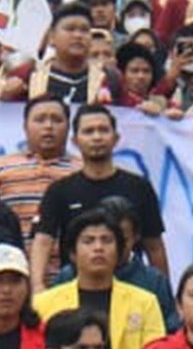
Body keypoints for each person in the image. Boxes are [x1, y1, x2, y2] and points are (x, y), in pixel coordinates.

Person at [31, 104, 167, 288]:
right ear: (75, 141)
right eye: (88, 131)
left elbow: (154, 246)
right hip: (75, 287)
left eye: (103, 130)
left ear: (116, 138)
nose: (96, 137)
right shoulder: (59, 191)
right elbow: (42, 242)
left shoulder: (139, 187)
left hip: (132, 287)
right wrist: (37, 286)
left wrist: (164, 290)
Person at [33, 209, 164, 349]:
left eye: (107, 240)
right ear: (73, 253)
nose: (98, 248)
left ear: (119, 251)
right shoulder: (44, 303)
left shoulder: (145, 302)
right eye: (88, 241)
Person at [0, 97, 78, 286]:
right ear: (25, 126)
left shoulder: (82, 172)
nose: (48, 126)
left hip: (71, 279)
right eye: (40, 119)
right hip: (11, 279)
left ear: (68, 128)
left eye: (56, 120)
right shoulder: (4, 168)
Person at [0, 245, 50, 349]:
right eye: (0, 281)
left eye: (14, 281)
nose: (6, 290)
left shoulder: (48, 337)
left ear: (27, 286)